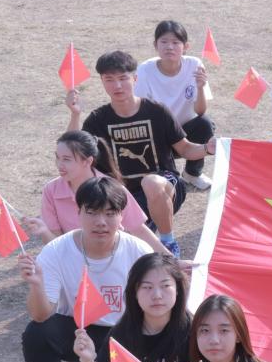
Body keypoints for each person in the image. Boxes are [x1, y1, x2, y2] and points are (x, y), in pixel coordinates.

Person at [18, 176, 154, 362]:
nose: (101, 222)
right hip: (79, 331)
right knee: (36, 334)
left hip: (125, 336)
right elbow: (41, 315)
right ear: (78, 212)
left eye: (110, 213)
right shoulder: (56, 251)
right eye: (91, 212)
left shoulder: (139, 251)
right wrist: (36, 286)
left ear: (121, 216)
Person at [72, 50, 217, 257]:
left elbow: (184, 148)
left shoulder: (157, 111)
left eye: (123, 78)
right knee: (130, 250)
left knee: (151, 182)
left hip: (165, 186)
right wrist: (75, 114)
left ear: (135, 79)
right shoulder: (97, 119)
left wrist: (206, 149)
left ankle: (168, 242)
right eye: (109, 79)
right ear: (102, 82)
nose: (117, 85)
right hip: (123, 196)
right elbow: (74, 154)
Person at [22, 130, 167, 253]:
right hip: (74, 260)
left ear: (87, 161)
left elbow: (139, 230)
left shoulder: (112, 188)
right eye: (57, 158)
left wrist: (170, 261)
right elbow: (57, 244)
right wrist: (44, 231)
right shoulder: (51, 190)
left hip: (113, 256)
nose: (60, 165)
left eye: (66, 159)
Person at [134, 20, 216, 191]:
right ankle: (161, 173)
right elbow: (140, 112)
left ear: (186, 46)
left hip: (184, 132)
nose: (169, 47)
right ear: (155, 45)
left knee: (205, 123)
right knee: (160, 182)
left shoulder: (194, 65)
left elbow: (200, 110)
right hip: (158, 134)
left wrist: (200, 88)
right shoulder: (145, 70)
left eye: (176, 42)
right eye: (164, 42)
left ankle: (192, 173)